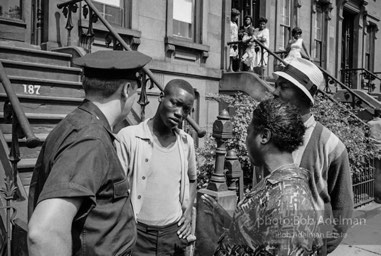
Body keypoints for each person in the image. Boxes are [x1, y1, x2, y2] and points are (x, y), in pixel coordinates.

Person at [27, 50, 151, 256]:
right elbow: (44, 233)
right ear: (127, 90)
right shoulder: (90, 139)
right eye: (137, 90)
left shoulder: (79, 124)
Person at [203, 99, 323, 255]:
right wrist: (234, 223)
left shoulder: (288, 201)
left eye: (248, 133)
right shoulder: (276, 186)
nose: (246, 140)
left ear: (264, 136)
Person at [273, 58, 354, 254]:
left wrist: (320, 245)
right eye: (276, 85)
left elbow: (343, 209)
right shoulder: (270, 136)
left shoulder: (331, 145)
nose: (275, 92)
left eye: (283, 87)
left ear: (304, 95)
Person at [117, 79, 198, 256]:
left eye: (186, 109)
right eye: (175, 103)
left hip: (173, 234)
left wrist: (188, 212)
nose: (179, 113)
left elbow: (193, 179)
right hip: (137, 234)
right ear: (162, 97)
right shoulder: (129, 138)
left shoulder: (186, 143)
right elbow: (114, 190)